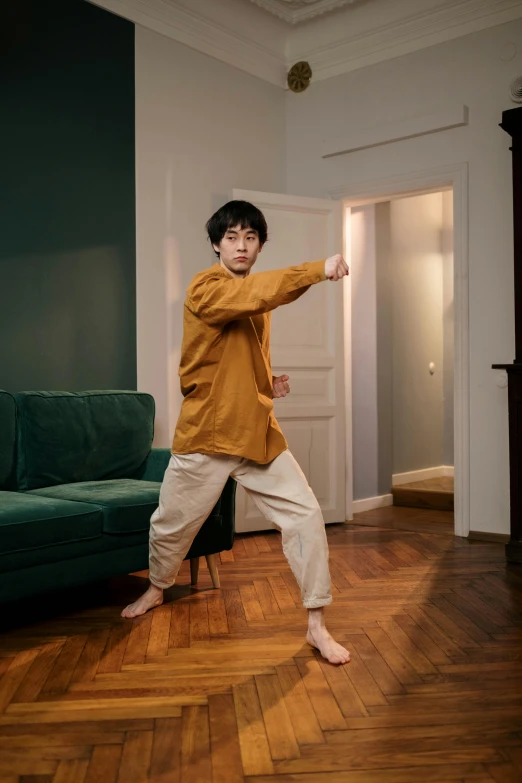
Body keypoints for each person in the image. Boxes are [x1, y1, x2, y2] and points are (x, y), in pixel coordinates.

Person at [122, 200, 350, 665]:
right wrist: (316, 270)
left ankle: (317, 625)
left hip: (254, 433)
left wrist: (268, 384)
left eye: (250, 238)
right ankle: (157, 587)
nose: (241, 246)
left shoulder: (255, 297)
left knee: (305, 515)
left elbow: (240, 350)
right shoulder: (206, 286)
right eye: (231, 237)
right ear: (215, 244)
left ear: (260, 245)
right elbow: (255, 295)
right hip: (207, 434)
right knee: (172, 523)